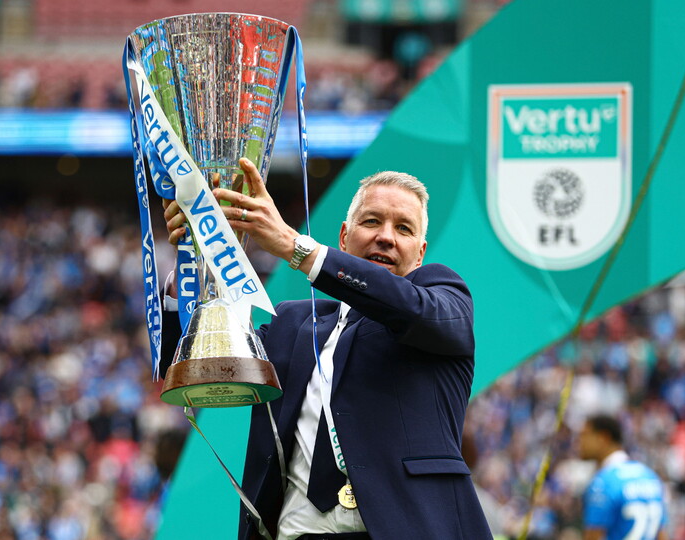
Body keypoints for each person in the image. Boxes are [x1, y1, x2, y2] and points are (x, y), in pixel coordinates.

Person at [162, 158, 491, 540]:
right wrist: (197, 265)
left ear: (420, 254)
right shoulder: (289, 324)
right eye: (371, 222)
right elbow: (200, 364)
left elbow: (411, 309)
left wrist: (295, 247)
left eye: (403, 228)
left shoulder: (443, 300)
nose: (386, 236)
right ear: (343, 237)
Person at [578, 414, 668, 540]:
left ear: (603, 438)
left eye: (585, 435)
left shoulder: (603, 482)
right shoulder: (650, 477)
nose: (579, 442)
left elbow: (593, 536)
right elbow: (662, 535)